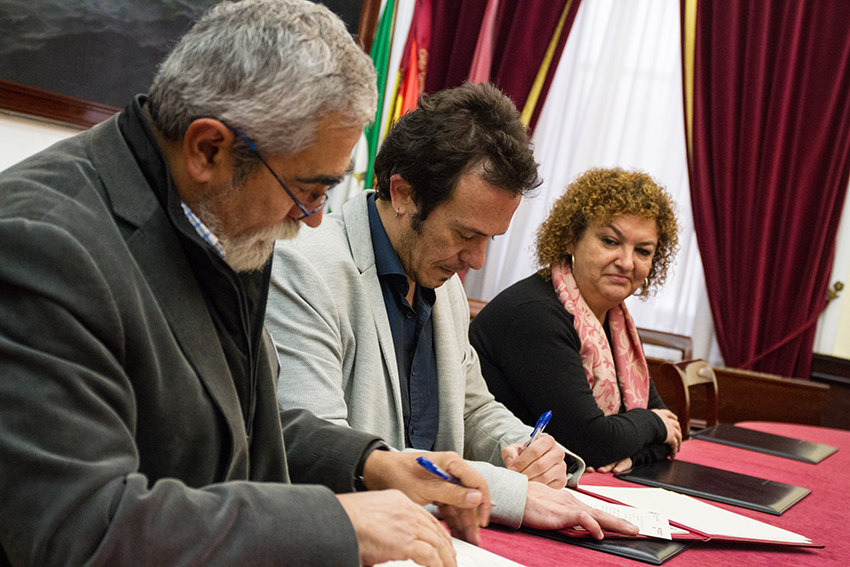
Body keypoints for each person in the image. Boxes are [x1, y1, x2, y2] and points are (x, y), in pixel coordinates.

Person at [0, 2, 495, 566]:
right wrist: (332, 523)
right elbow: (81, 527)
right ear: (209, 148)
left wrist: (370, 463)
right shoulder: (40, 245)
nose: (312, 218)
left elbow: (228, 420)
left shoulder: (218, 209)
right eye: (309, 189)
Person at [267, 83, 638, 537]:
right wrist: (511, 492)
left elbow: (472, 409)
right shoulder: (304, 267)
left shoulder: (443, 284)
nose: (477, 260)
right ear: (403, 193)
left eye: (489, 240)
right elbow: (322, 450)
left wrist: (527, 449)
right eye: (466, 234)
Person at [469, 167, 683, 474]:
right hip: (493, 482)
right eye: (610, 241)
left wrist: (635, 455)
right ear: (571, 239)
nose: (626, 261)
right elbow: (589, 442)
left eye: (643, 250)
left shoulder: (615, 321)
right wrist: (650, 426)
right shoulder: (535, 313)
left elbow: (668, 431)